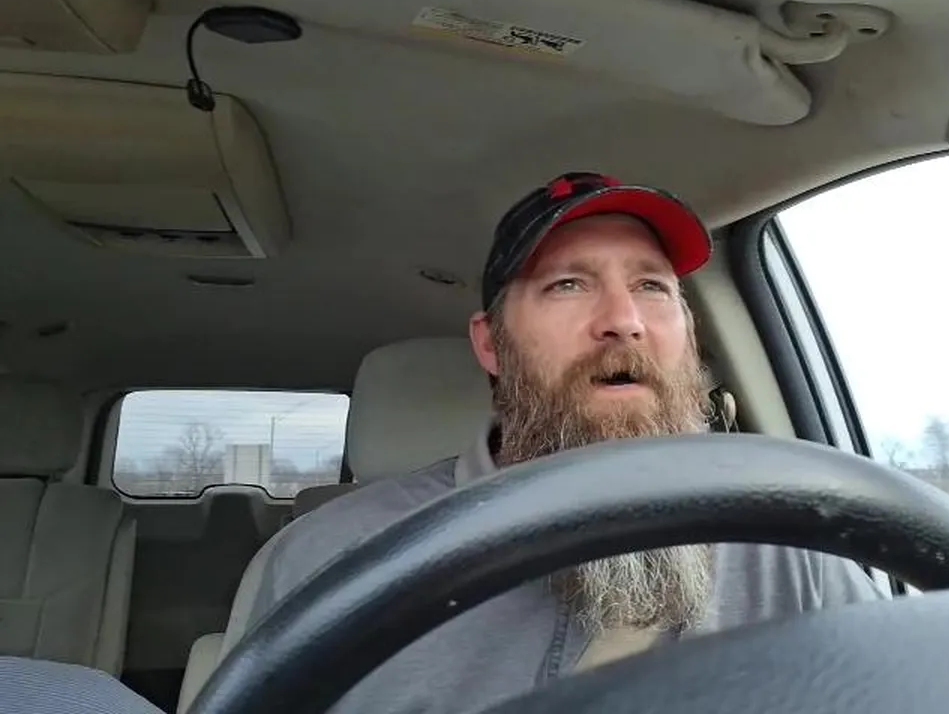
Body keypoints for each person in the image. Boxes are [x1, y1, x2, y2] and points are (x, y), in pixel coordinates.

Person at [243, 172, 886, 714]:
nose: (623, 322)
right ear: (491, 345)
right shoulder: (338, 558)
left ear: (689, 337)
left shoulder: (788, 552)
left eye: (652, 286)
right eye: (567, 284)